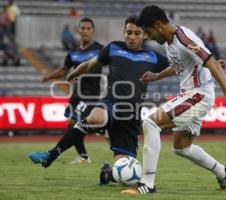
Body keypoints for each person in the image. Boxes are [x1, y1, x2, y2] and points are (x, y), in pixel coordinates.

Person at [27, 16, 169, 185]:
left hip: (130, 116)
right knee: (95, 117)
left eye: (136, 33)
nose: (132, 36)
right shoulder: (113, 48)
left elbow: (176, 67)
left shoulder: (152, 56)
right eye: (129, 32)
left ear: (144, 35)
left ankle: (107, 174)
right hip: (111, 103)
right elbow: (89, 64)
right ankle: (50, 155)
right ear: (124, 32)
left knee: (125, 174)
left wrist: (161, 75)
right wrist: (74, 73)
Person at [121, 5, 226, 194]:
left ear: (159, 25)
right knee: (181, 147)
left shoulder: (184, 38)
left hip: (198, 95)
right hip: (191, 95)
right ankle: (223, 172)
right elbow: (178, 66)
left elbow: (210, 62)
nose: (148, 37)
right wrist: (156, 76)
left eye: (148, 32)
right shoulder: (171, 43)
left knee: (151, 123)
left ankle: (147, 184)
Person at [40, 17, 104, 164]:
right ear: (78, 30)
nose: (86, 31)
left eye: (88, 28)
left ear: (93, 31)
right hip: (76, 94)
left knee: (76, 123)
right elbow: (64, 69)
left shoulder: (100, 49)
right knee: (71, 125)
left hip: (91, 95)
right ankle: (84, 156)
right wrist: (49, 76)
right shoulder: (73, 52)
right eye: (83, 28)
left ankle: (102, 129)